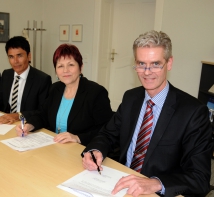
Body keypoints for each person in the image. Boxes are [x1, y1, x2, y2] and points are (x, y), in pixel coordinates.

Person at [82, 30, 212, 196]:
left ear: (169, 63)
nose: (147, 71)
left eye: (156, 64)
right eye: (141, 64)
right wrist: (95, 150)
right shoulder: (131, 98)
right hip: (119, 183)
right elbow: (107, 134)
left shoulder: (193, 112)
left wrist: (156, 183)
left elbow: (200, 178)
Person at [15, 44, 112, 146]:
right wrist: (28, 126)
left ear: (81, 67)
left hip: (81, 149)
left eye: (71, 65)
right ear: (56, 71)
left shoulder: (96, 92)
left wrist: (77, 138)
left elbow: (106, 129)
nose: (65, 70)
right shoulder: (55, 88)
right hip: (54, 145)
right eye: (60, 66)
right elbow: (43, 115)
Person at [0, 36, 52, 124]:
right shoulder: (7, 74)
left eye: (19, 56)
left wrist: (17, 115)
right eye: (11, 57)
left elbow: (42, 111)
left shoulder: (42, 80)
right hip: (6, 122)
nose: (15, 61)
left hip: (27, 125)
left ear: (29, 56)